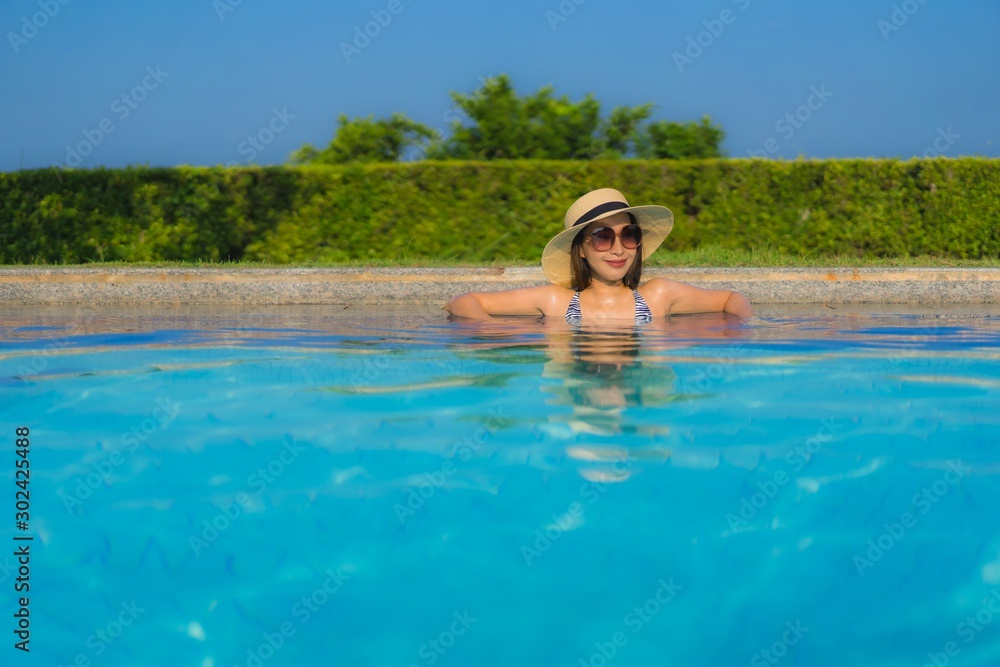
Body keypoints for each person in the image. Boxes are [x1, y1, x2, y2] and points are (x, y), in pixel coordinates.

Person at [445, 187, 754, 323]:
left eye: (629, 235)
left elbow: (730, 299)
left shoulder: (659, 295)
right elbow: (462, 302)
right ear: (580, 248)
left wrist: (742, 326)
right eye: (603, 236)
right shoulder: (557, 302)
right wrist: (489, 328)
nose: (618, 249)